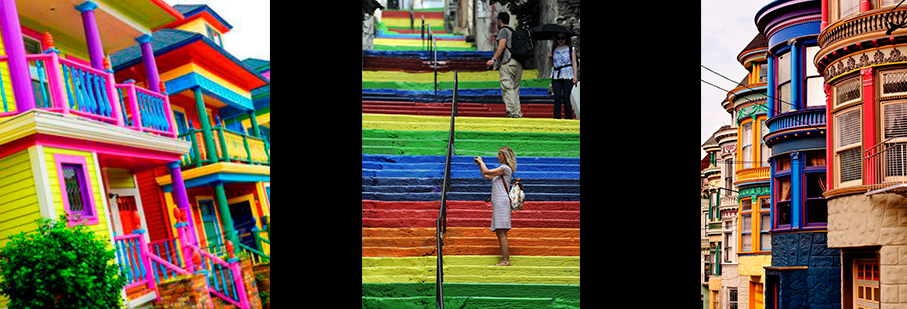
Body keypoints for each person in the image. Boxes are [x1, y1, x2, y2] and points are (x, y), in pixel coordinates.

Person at [474, 146, 518, 266]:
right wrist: (479, 164)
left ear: (505, 156)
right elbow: (485, 175)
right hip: (498, 203)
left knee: (502, 233)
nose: (497, 156)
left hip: (502, 204)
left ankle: (506, 260)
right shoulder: (501, 171)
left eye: (499, 154)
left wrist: (482, 162)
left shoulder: (505, 168)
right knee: (500, 232)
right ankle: (505, 259)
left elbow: (487, 172)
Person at [486, 12, 523, 118]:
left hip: (507, 62)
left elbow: (501, 46)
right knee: (515, 89)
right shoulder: (513, 31)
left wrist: (494, 59)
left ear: (500, 21)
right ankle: (517, 112)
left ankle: (513, 113)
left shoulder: (503, 31)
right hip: (517, 63)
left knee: (507, 87)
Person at [548, 33, 577, 119]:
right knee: (557, 96)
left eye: (563, 38)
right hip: (556, 75)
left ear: (566, 39)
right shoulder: (554, 49)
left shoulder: (571, 49)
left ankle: (568, 117)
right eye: (559, 38)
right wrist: (549, 57)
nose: (561, 40)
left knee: (565, 96)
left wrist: (575, 76)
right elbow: (551, 65)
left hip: (567, 74)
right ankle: (557, 117)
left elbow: (574, 62)